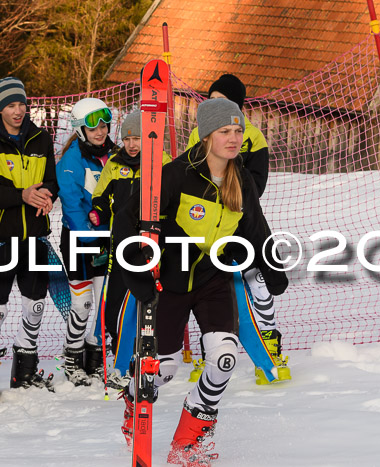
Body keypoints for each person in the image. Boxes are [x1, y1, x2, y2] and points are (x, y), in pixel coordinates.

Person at [113, 99, 289, 463]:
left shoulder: (240, 178)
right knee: (163, 369)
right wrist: (135, 273)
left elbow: (256, 229)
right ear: (207, 134)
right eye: (225, 131)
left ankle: (189, 442)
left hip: (214, 280)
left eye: (239, 131)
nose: (234, 138)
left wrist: (273, 269)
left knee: (224, 358)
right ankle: (134, 396)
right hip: (170, 282)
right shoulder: (176, 174)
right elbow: (125, 223)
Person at [187, 73, 290, 384]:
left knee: (258, 280)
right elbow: (190, 177)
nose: (215, 105)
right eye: (212, 99)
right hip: (208, 226)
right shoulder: (198, 135)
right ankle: (213, 349)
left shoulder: (253, 137)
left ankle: (269, 342)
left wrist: (232, 195)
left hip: (242, 222)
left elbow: (255, 185)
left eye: (223, 101)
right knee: (210, 287)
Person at [0, 77, 58, 404]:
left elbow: (51, 181)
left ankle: (26, 371)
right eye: (11, 105)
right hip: (0, 239)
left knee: (35, 306)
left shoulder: (41, 138)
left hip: (35, 237)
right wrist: (21, 195)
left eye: (21, 104)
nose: (18, 111)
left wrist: (47, 196)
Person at [89, 111, 171, 383]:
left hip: (152, 242)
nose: (132, 144)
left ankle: (147, 352)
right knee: (116, 300)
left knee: (151, 298)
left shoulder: (162, 161)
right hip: (122, 242)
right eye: (128, 139)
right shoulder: (115, 164)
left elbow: (174, 195)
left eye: (137, 138)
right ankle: (119, 354)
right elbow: (100, 194)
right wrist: (98, 212)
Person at [56, 97, 114, 386]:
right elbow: (72, 205)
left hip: (109, 239)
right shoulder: (71, 161)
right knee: (83, 304)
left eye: (104, 125)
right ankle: (72, 355)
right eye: (93, 128)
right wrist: (91, 241)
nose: (100, 132)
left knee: (106, 300)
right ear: (80, 131)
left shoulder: (115, 155)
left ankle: (96, 355)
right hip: (80, 240)